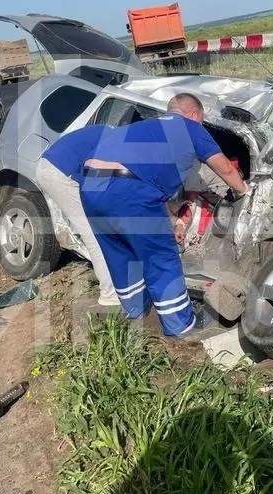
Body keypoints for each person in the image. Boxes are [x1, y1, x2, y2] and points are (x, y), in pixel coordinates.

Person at [79, 93, 249, 337]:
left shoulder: (143, 127)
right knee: (161, 258)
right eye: (201, 119)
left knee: (121, 255)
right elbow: (224, 167)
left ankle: (136, 312)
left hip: (90, 187)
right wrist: (245, 190)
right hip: (129, 189)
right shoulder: (190, 127)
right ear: (193, 114)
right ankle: (180, 327)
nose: (201, 124)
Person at [35, 124, 119, 307]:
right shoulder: (117, 145)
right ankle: (110, 293)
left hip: (53, 166)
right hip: (60, 174)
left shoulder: (114, 134)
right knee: (94, 233)